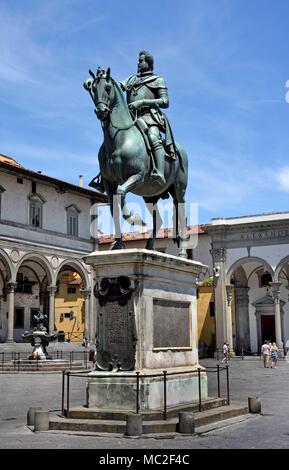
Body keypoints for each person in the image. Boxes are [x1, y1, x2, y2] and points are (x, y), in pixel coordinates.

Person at [120, 51, 176, 186]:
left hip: (150, 117)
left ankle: (160, 173)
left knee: (153, 138)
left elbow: (165, 101)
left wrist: (143, 102)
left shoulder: (157, 80)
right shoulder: (132, 79)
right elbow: (116, 86)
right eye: (138, 61)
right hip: (130, 118)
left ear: (148, 63)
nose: (138, 63)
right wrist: (104, 78)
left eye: (141, 61)